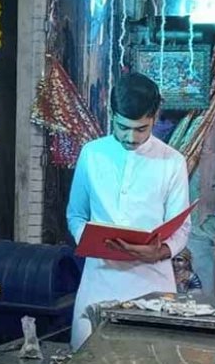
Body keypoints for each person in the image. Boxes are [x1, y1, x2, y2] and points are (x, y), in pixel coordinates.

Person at [66, 73, 190, 349]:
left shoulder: (172, 162)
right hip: (99, 282)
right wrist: (89, 241)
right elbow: (75, 215)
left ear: (155, 117)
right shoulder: (92, 154)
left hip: (152, 285)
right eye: (122, 127)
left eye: (141, 129)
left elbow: (182, 227)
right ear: (111, 113)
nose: (131, 137)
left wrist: (161, 251)